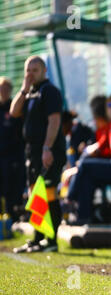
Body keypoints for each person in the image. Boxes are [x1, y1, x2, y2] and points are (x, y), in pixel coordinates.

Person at [11, 56, 66, 253]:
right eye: (28, 70)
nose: (31, 74)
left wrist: (47, 148)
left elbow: (54, 121)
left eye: (35, 70)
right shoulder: (30, 92)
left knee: (49, 195)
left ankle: (51, 241)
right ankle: (38, 239)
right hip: (32, 153)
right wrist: (24, 89)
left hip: (48, 151)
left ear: (44, 71)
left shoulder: (49, 91)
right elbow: (14, 111)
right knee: (36, 197)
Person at [66, 93, 111, 225]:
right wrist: (88, 149)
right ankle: (84, 217)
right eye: (110, 105)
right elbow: (100, 146)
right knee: (87, 178)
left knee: (85, 165)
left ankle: (70, 197)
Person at [0, 77, 26, 222]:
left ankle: (14, 216)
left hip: (13, 155)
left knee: (13, 185)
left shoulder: (14, 108)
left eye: (6, 89)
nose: (3, 92)